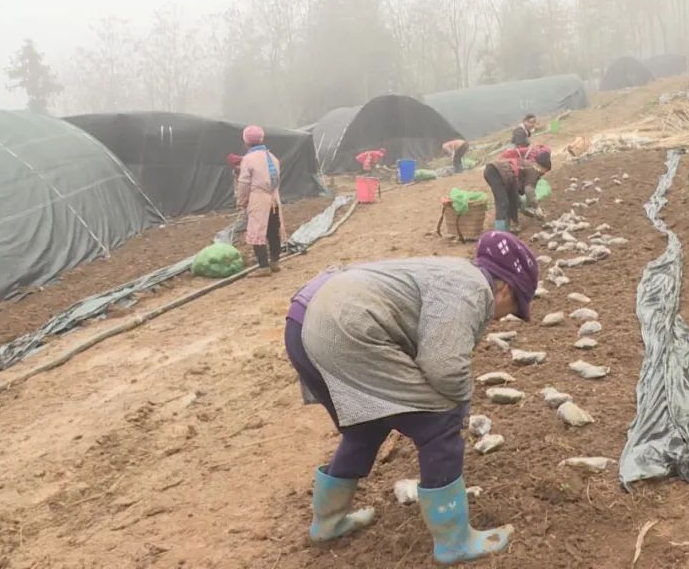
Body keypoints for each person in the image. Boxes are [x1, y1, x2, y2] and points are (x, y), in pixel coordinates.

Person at [283, 231, 538, 565]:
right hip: (345, 328)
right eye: (515, 306)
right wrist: (460, 406)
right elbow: (442, 368)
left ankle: (328, 523)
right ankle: (454, 541)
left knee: (367, 423)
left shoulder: (449, 272)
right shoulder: (472, 289)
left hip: (304, 323)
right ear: (504, 287)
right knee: (440, 421)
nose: (506, 317)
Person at [235, 125, 285, 277]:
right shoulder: (273, 157)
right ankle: (275, 262)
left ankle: (263, 267)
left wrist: (241, 201)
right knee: (273, 231)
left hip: (258, 200)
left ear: (246, 142)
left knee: (256, 232)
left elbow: (244, 183)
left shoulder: (248, 159)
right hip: (274, 199)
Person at [483, 150, 551, 233]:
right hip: (496, 172)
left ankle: (508, 228)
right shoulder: (533, 170)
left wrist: (527, 210)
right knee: (503, 202)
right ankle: (499, 233)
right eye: (546, 171)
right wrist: (536, 207)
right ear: (543, 168)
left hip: (499, 173)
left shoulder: (526, 165)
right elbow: (529, 190)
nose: (544, 173)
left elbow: (516, 199)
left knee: (511, 201)